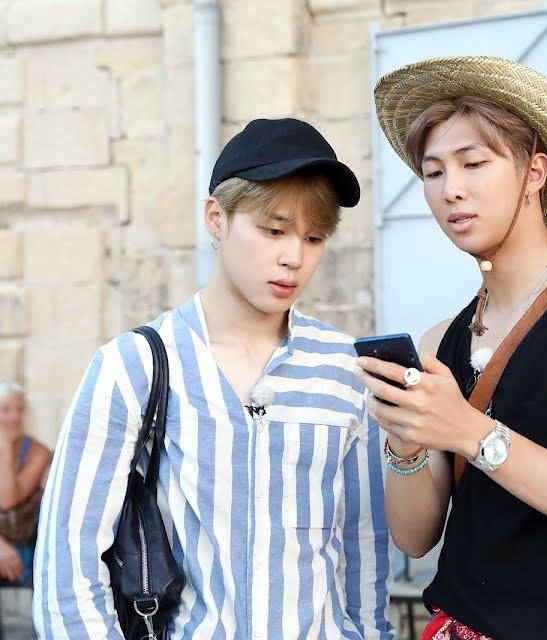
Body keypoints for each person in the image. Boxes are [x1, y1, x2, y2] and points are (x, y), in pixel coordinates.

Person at [33, 118, 394, 639]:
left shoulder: (344, 368)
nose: (294, 257)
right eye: (273, 230)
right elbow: (68, 567)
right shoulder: (134, 366)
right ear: (216, 219)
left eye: (314, 238)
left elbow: (364, 555)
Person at [359, 56, 547, 639]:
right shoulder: (440, 341)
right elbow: (415, 537)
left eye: (474, 163)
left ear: (535, 172)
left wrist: (470, 432)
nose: (451, 190)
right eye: (433, 172)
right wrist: (405, 439)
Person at [0, 380, 51, 586]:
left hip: (20, 546)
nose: (15, 417)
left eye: (20, 410)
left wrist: (5, 448)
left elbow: (8, 502)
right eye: (5, 410)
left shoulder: (37, 452)